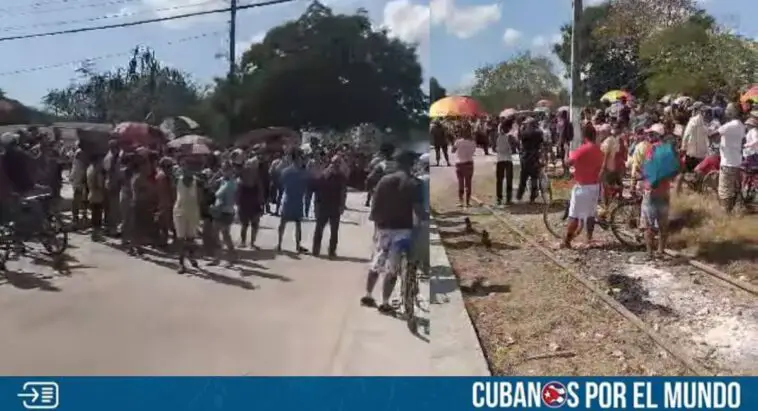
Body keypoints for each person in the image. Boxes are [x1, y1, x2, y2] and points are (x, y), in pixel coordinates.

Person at [361, 150, 425, 314]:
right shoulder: (414, 183)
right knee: (392, 268)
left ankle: (368, 295)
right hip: (403, 230)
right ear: (411, 164)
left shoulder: (385, 180)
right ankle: (385, 302)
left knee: (378, 261)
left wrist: (376, 224)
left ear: (397, 163)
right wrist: (425, 218)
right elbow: (418, 209)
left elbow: (375, 204)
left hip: (384, 227)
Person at [560, 124, 603, 249]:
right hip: (594, 187)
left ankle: (567, 241)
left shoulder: (582, 149)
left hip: (582, 187)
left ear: (584, 136)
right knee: (590, 214)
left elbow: (567, 163)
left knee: (574, 215)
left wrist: (567, 150)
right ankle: (589, 238)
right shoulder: (599, 150)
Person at [636, 124, 673, 259]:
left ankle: (649, 253)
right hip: (665, 192)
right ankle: (660, 251)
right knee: (663, 224)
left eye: (651, 134)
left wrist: (642, 175)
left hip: (651, 192)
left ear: (656, 136)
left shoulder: (651, 150)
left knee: (648, 225)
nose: (648, 137)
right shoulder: (669, 151)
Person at [311, 155, 348, 258]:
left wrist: (342, 205)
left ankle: (332, 251)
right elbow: (316, 187)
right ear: (330, 163)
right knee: (319, 229)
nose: (335, 165)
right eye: (334, 163)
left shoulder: (341, 177)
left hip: (335, 206)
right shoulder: (324, 174)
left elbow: (343, 192)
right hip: (323, 205)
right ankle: (315, 250)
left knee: (334, 231)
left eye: (337, 163)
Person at [277, 148, 309, 253]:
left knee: (286, 223)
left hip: (291, 199)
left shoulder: (286, 171)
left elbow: (281, 182)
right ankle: (295, 245)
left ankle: (280, 244)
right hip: (294, 200)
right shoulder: (302, 172)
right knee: (295, 223)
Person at [173, 157, 201, 273]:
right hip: (180, 211)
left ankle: (191, 257)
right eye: (184, 167)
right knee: (180, 239)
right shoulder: (177, 179)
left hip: (193, 211)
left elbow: (201, 196)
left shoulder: (197, 181)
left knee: (191, 238)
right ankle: (181, 263)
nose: (187, 170)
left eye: (189, 168)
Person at [717, 103, 746, 212]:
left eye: (727, 110)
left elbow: (714, 134)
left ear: (731, 112)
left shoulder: (728, 126)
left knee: (724, 190)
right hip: (737, 162)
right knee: (733, 189)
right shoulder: (741, 125)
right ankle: (731, 210)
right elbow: (743, 141)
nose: (725, 112)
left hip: (727, 162)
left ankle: (726, 213)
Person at [678, 102, 710, 193]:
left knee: (689, 172)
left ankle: (692, 189)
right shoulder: (707, 121)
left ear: (696, 110)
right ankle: (699, 190)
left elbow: (687, 135)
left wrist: (683, 147)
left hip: (692, 152)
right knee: (700, 173)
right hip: (703, 152)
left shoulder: (693, 121)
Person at [209, 162, 237, 267]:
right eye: (223, 169)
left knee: (218, 235)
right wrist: (216, 175)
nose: (224, 171)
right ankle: (230, 257)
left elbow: (227, 199)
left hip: (225, 212)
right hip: (220, 211)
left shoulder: (231, 183)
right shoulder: (223, 181)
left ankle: (220, 259)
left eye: (226, 169)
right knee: (224, 236)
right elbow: (210, 184)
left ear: (231, 170)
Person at [237, 150, 264, 249]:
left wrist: (261, 202)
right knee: (248, 224)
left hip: (251, 202)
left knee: (251, 224)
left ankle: (249, 242)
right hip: (247, 202)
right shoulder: (244, 175)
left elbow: (260, 191)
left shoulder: (251, 176)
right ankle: (247, 242)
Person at [517, 117, 543, 203]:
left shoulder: (526, 133)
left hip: (526, 157)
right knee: (534, 178)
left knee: (523, 178)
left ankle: (519, 195)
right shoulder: (539, 132)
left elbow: (520, 138)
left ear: (530, 124)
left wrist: (520, 129)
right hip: (535, 157)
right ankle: (533, 197)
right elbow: (541, 143)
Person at [494, 116, 516, 206]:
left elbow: (494, 147)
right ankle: (508, 199)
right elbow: (514, 148)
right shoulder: (510, 137)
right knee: (509, 180)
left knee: (499, 180)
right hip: (508, 160)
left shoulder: (497, 136)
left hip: (499, 160)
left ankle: (499, 199)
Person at [452, 128, 476, 207]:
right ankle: (467, 202)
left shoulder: (458, 142)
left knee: (460, 183)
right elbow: (473, 152)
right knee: (468, 184)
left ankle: (461, 201)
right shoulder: (473, 142)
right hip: (469, 163)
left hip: (459, 164)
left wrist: (456, 141)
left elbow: (453, 150)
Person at [86, 156, 106, 241]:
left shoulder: (89, 169)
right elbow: (100, 184)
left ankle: (94, 235)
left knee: (94, 216)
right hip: (97, 195)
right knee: (97, 216)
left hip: (91, 194)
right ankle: (97, 235)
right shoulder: (97, 171)